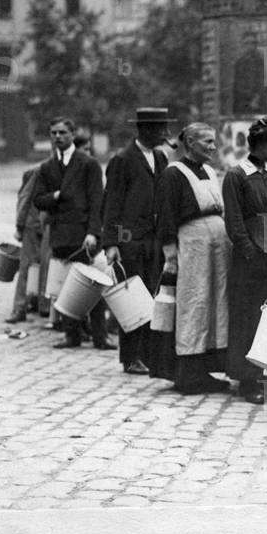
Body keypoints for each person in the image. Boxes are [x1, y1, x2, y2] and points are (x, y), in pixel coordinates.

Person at [154, 122, 232, 396]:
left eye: (214, 142)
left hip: (216, 249)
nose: (213, 147)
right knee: (193, 304)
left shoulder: (210, 171)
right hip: (192, 248)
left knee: (214, 304)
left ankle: (206, 369)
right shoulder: (173, 174)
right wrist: (171, 256)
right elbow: (165, 217)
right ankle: (187, 374)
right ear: (189, 144)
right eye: (207, 142)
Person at [33, 117, 113, 350]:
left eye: (62, 133)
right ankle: (72, 334)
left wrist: (93, 233)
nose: (57, 137)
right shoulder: (47, 168)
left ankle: (100, 335)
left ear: (72, 134)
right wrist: (56, 196)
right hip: (60, 234)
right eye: (54, 133)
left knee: (93, 282)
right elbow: (38, 200)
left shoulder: (87, 163)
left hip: (84, 234)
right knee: (66, 286)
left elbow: (97, 201)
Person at [102, 107, 171, 375]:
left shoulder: (160, 157)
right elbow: (112, 204)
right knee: (133, 298)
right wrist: (112, 243)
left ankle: (148, 355)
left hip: (154, 241)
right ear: (145, 130)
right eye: (160, 130)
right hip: (130, 240)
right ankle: (131, 357)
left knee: (152, 296)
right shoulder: (122, 159)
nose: (164, 134)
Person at [223, 117, 267, 404]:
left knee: (266, 320)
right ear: (259, 145)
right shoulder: (237, 175)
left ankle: (265, 375)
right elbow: (234, 222)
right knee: (246, 318)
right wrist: (250, 252)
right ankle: (246, 380)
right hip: (248, 260)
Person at [6, 163, 44, 324]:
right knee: (27, 266)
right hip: (33, 225)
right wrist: (20, 226)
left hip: (49, 226)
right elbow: (25, 198)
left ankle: (37, 304)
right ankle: (20, 307)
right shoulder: (38, 171)